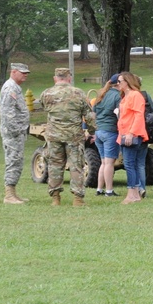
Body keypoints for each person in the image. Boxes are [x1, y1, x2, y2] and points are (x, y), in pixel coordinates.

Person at [40, 67, 96, 207]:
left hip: (54, 135)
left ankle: (55, 198)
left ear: (55, 78)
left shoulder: (46, 93)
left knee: (54, 165)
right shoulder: (78, 93)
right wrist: (92, 130)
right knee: (76, 166)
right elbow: (89, 116)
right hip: (73, 136)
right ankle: (78, 199)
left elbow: (44, 108)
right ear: (69, 78)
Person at [0, 62, 31, 205]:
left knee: (17, 162)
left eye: (26, 73)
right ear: (13, 72)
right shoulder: (9, 88)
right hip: (13, 134)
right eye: (22, 72)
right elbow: (8, 113)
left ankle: (13, 193)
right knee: (13, 161)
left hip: (17, 133)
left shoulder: (15, 88)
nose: (25, 75)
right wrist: (17, 130)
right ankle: (9, 195)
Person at [115, 72, 149, 204]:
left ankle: (132, 194)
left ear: (127, 82)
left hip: (131, 135)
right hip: (123, 134)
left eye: (119, 81)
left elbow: (138, 115)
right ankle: (135, 193)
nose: (117, 84)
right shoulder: (125, 97)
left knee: (130, 164)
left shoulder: (135, 95)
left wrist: (131, 133)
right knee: (131, 164)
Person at [91, 74, 122, 197]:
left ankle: (99, 189)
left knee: (103, 163)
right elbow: (120, 114)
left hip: (99, 132)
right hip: (110, 131)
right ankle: (109, 190)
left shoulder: (101, 95)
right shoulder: (118, 96)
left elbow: (93, 113)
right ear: (118, 84)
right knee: (109, 163)